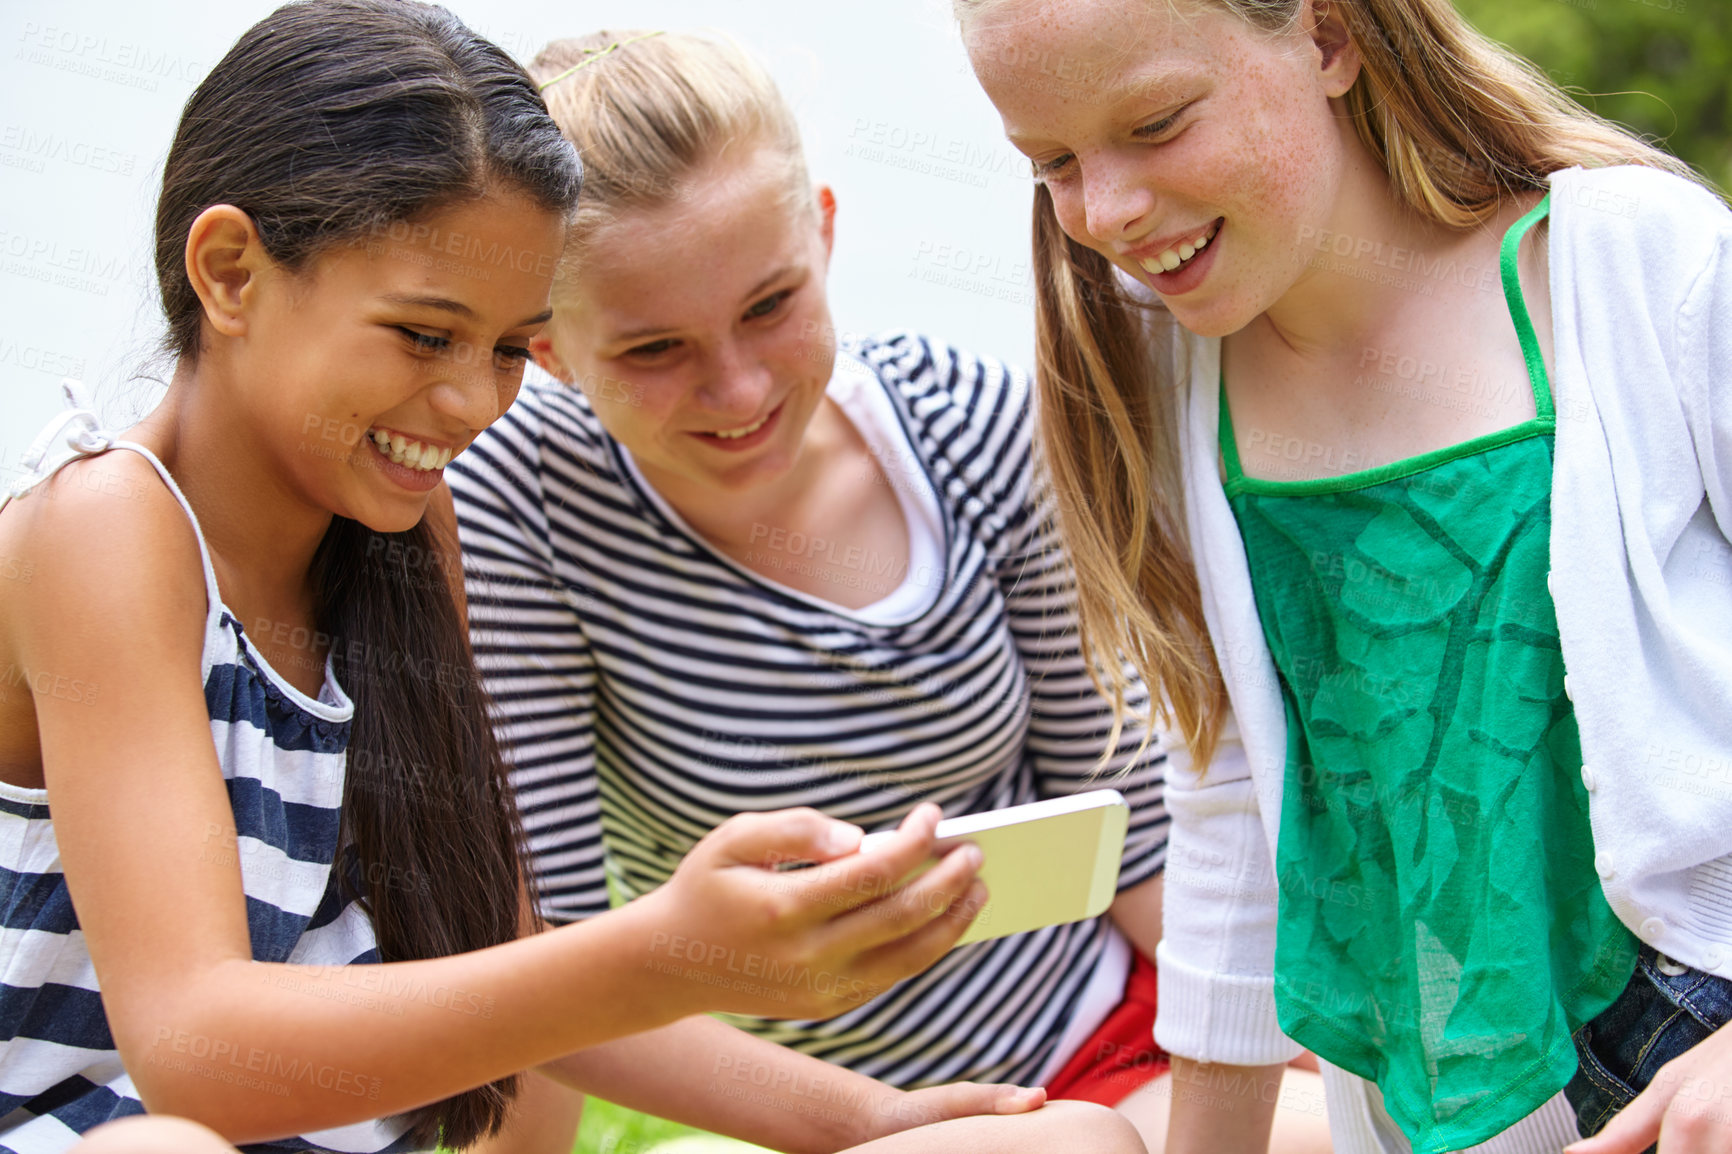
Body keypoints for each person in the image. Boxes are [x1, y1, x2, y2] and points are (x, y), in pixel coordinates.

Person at [0, 3, 1150, 1153]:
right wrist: (663, 953)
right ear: (231, 272)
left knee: (1066, 1143)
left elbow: (492, 960)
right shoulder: (106, 525)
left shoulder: (404, 527)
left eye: (506, 348)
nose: (470, 405)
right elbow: (199, 1051)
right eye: (421, 333)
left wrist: (867, 1116)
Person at [446, 28, 1329, 1154]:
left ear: (820, 233)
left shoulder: (974, 427)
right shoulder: (519, 510)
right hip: (845, 1112)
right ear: (550, 349)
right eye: (655, 349)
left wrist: (1315, 1052)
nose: (739, 388)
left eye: (770, 305)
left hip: (1111, 1035)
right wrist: (868, 1121)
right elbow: (543, 959)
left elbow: (1137, 840)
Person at [952, 0, 1732, 1150]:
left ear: (1323, 36)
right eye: (1053, 162)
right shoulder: (1162, 366)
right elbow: (1232, 812)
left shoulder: (1631, 257)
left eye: (1158, 123)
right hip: (1458, 1112)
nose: (1106, 210)